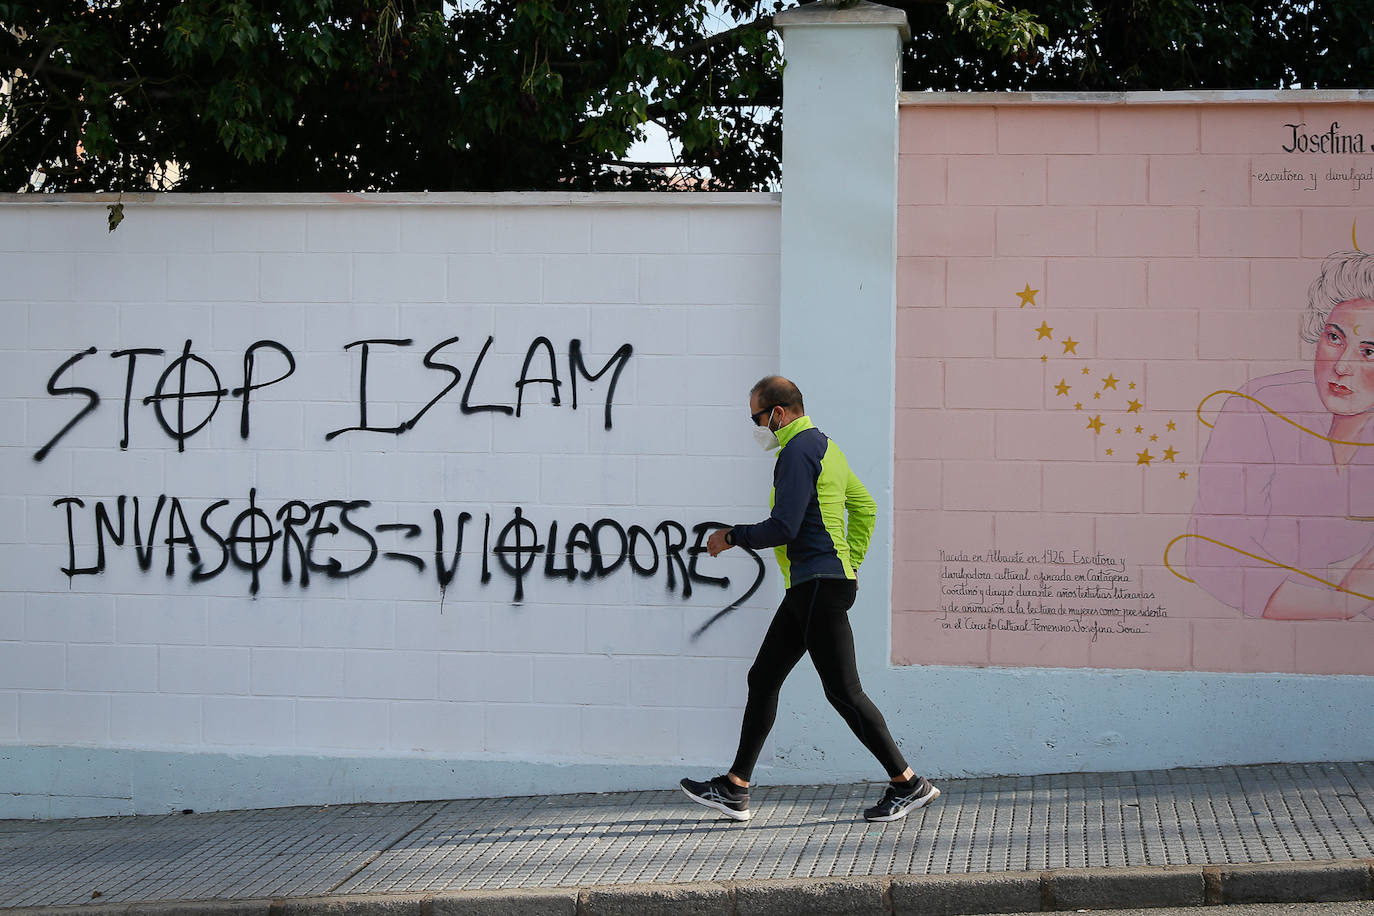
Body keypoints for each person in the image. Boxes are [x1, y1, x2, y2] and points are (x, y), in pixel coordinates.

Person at [679, 375, 938, 822]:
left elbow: (784, 527)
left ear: (778, 413)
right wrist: (851, 564)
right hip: (814, 585)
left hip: (817, 585)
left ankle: (908, 783)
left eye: (757, 419)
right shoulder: (826, 447)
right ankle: (736, 788)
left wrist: (731, 536)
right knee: (764, 678)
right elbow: (866, 507)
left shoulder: (797, 451)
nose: (756, 427)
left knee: (844, 691)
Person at [1186, 249, 1374, 619]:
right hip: (1241, 625)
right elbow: (1213, 554)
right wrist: (1340, 605)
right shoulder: (1259, 409)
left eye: (1369, 352)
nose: (1342, 366)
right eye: (1334, 337)